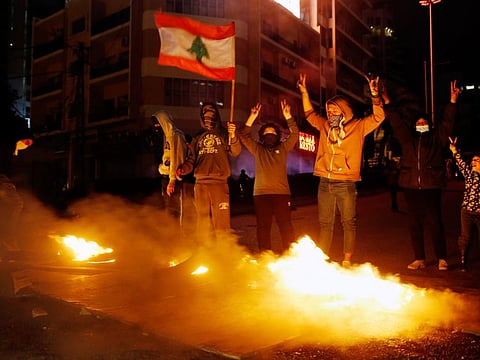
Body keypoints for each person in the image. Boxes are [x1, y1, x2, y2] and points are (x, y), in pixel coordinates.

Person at [296, 73, 385, 267]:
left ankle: (346, 259)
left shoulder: (359, 126)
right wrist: (304, 93)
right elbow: (311, 115)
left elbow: (379, 116)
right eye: (328, 110)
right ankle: (322, 258)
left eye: (334, 110)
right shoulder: (325, 126)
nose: (330, 114)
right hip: (325, 182)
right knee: (325, 223)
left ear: (344, 110)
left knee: (348, 222)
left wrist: (374, 95)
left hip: (346, 182)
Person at [381, 80, 461, 271]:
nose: (422, 124)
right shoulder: (407, 139)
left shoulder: (436, 139)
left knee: (435, 223)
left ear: (429, 125)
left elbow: (447, 123)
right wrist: (386, 100)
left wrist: (452, 101)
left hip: (431, 186)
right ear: (415, 126)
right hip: (411, 187)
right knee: (414, 224)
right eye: (419, 122)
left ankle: (441, 258)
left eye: (424, 122)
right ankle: (420, 259)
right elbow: (395, 121)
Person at [238, 100, 298, 254]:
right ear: (261, 136)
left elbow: (295, 134)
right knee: (263, 227)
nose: (269, 134)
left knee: (285, 226)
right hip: (261, 195)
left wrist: (288, 117)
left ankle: (290, 256)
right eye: (266, 133)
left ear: (277, 136)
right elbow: (243, 135)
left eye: (272, 132)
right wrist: (252, 117)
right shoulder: (258, 149)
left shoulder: (283, 147)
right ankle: (266, 256)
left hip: (282, 195)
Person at [176, 102, 241, 245]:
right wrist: (183, 169)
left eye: (211, 111)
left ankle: (224, 251)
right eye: (205, 111)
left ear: (216, 114)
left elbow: (236, 152)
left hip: (219, 183)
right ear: (201, 115)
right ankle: (204, 251)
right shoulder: (197, 137)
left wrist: (233, 135)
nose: (208, 114)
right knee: (202, 220)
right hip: (201, 185)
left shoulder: (224, 133)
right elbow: (191, 159)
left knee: (222, 221)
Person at [0, 123, 33, 260]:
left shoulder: (11, 150)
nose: (27, 144)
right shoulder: (6, 148)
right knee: (15, 204)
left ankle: (8, 246)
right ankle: (9, 245)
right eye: (26, 141)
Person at [448, 137, 480, 271]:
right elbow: (460, 163)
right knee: (465, 237)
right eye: (473, 160)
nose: (473, 162)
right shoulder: (469, 174)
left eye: (477, 160)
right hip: (466, 211)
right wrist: (454, 150)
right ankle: (463, 261)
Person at [151, 110, 188, 225]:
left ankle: (175, 236)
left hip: (172, 178)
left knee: (173, 208)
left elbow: (177, 157)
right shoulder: (166, 136)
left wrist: (172, 180)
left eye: (158, 124)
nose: (156, 127)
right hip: (166, 177)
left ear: (164, 122)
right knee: (169, 207)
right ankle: (171, 235)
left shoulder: (175, 135)